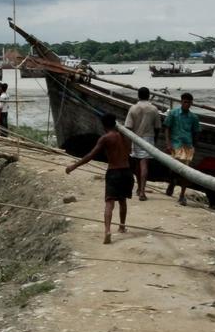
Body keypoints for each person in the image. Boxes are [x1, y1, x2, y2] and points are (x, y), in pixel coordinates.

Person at [65, 113, 132, 244]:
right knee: (122, 200)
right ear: (115, 123)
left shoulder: (105, 138)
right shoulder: (125, 137)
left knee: (109, 202)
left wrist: (73, 166)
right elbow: (130, 152)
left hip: (114, 172)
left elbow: (90, 155)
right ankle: (122, 226)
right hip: (127, 171)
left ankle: (107, 230)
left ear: (104, 125)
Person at [124, 86, 162, 201]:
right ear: (149, 95)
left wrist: (128, 143)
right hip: (148, 138)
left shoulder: (133, 108)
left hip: (135, 137)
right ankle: (142, 191)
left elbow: (128, 127)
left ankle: (139, 187)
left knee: (137, 164)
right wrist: (155, 140)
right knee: (144, 164)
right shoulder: (154, 109)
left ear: (138, 96)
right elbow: (157, 127)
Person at [163, 92, 201, 205]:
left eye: (189, 103)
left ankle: (182, 195)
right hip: (176, 145)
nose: (187, 104)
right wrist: (168, 143)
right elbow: (167, 128)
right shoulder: (173, 114)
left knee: (186, 172)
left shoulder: (194, 117)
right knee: (173, 169)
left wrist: (195, 146)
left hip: (188, 146)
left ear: (191, 104)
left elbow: (196, 132)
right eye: (185, 102)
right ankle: (172, 183)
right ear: (181, 102)